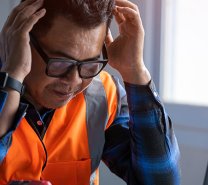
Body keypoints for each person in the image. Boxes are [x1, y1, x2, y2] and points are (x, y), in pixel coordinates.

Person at [0, 0, 180, 184]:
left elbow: (160, 180)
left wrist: (134, 70)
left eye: (89, 64)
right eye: (61, 63)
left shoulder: (103, 95)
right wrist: (12, 78)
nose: (74, 80)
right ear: (20, 40)